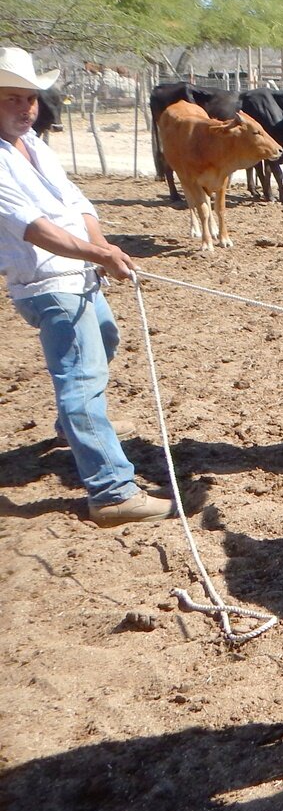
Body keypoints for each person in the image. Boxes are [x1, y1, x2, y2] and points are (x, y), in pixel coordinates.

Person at [0, 47, 172, 527]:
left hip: (78, 272)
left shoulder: (34, 146)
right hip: (48, 282)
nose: (25, 108)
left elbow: (76, 202)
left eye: (29, 99)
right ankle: (111, 491)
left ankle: (74, 428)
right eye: (13, 98)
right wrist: (98, 255)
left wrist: (101, 246)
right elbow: (31, 226)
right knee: (81, 379)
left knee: (105, 340)